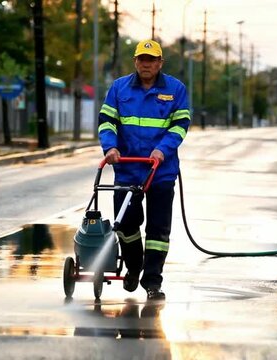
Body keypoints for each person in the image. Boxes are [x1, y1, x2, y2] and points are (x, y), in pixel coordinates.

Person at [98, 39, 190, 300]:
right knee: (126, 225)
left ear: (160, 62)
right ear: (135, 61)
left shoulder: (175, 89)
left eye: (151, 60)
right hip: (127, 170)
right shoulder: (119, 88)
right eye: (141, 59)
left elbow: (181, 124)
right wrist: (110, 148)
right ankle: (134, 266)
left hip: (161, 170)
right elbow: (106, 121)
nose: (146, 64)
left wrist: (163, 149)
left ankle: (152, 282)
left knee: (158, 231)